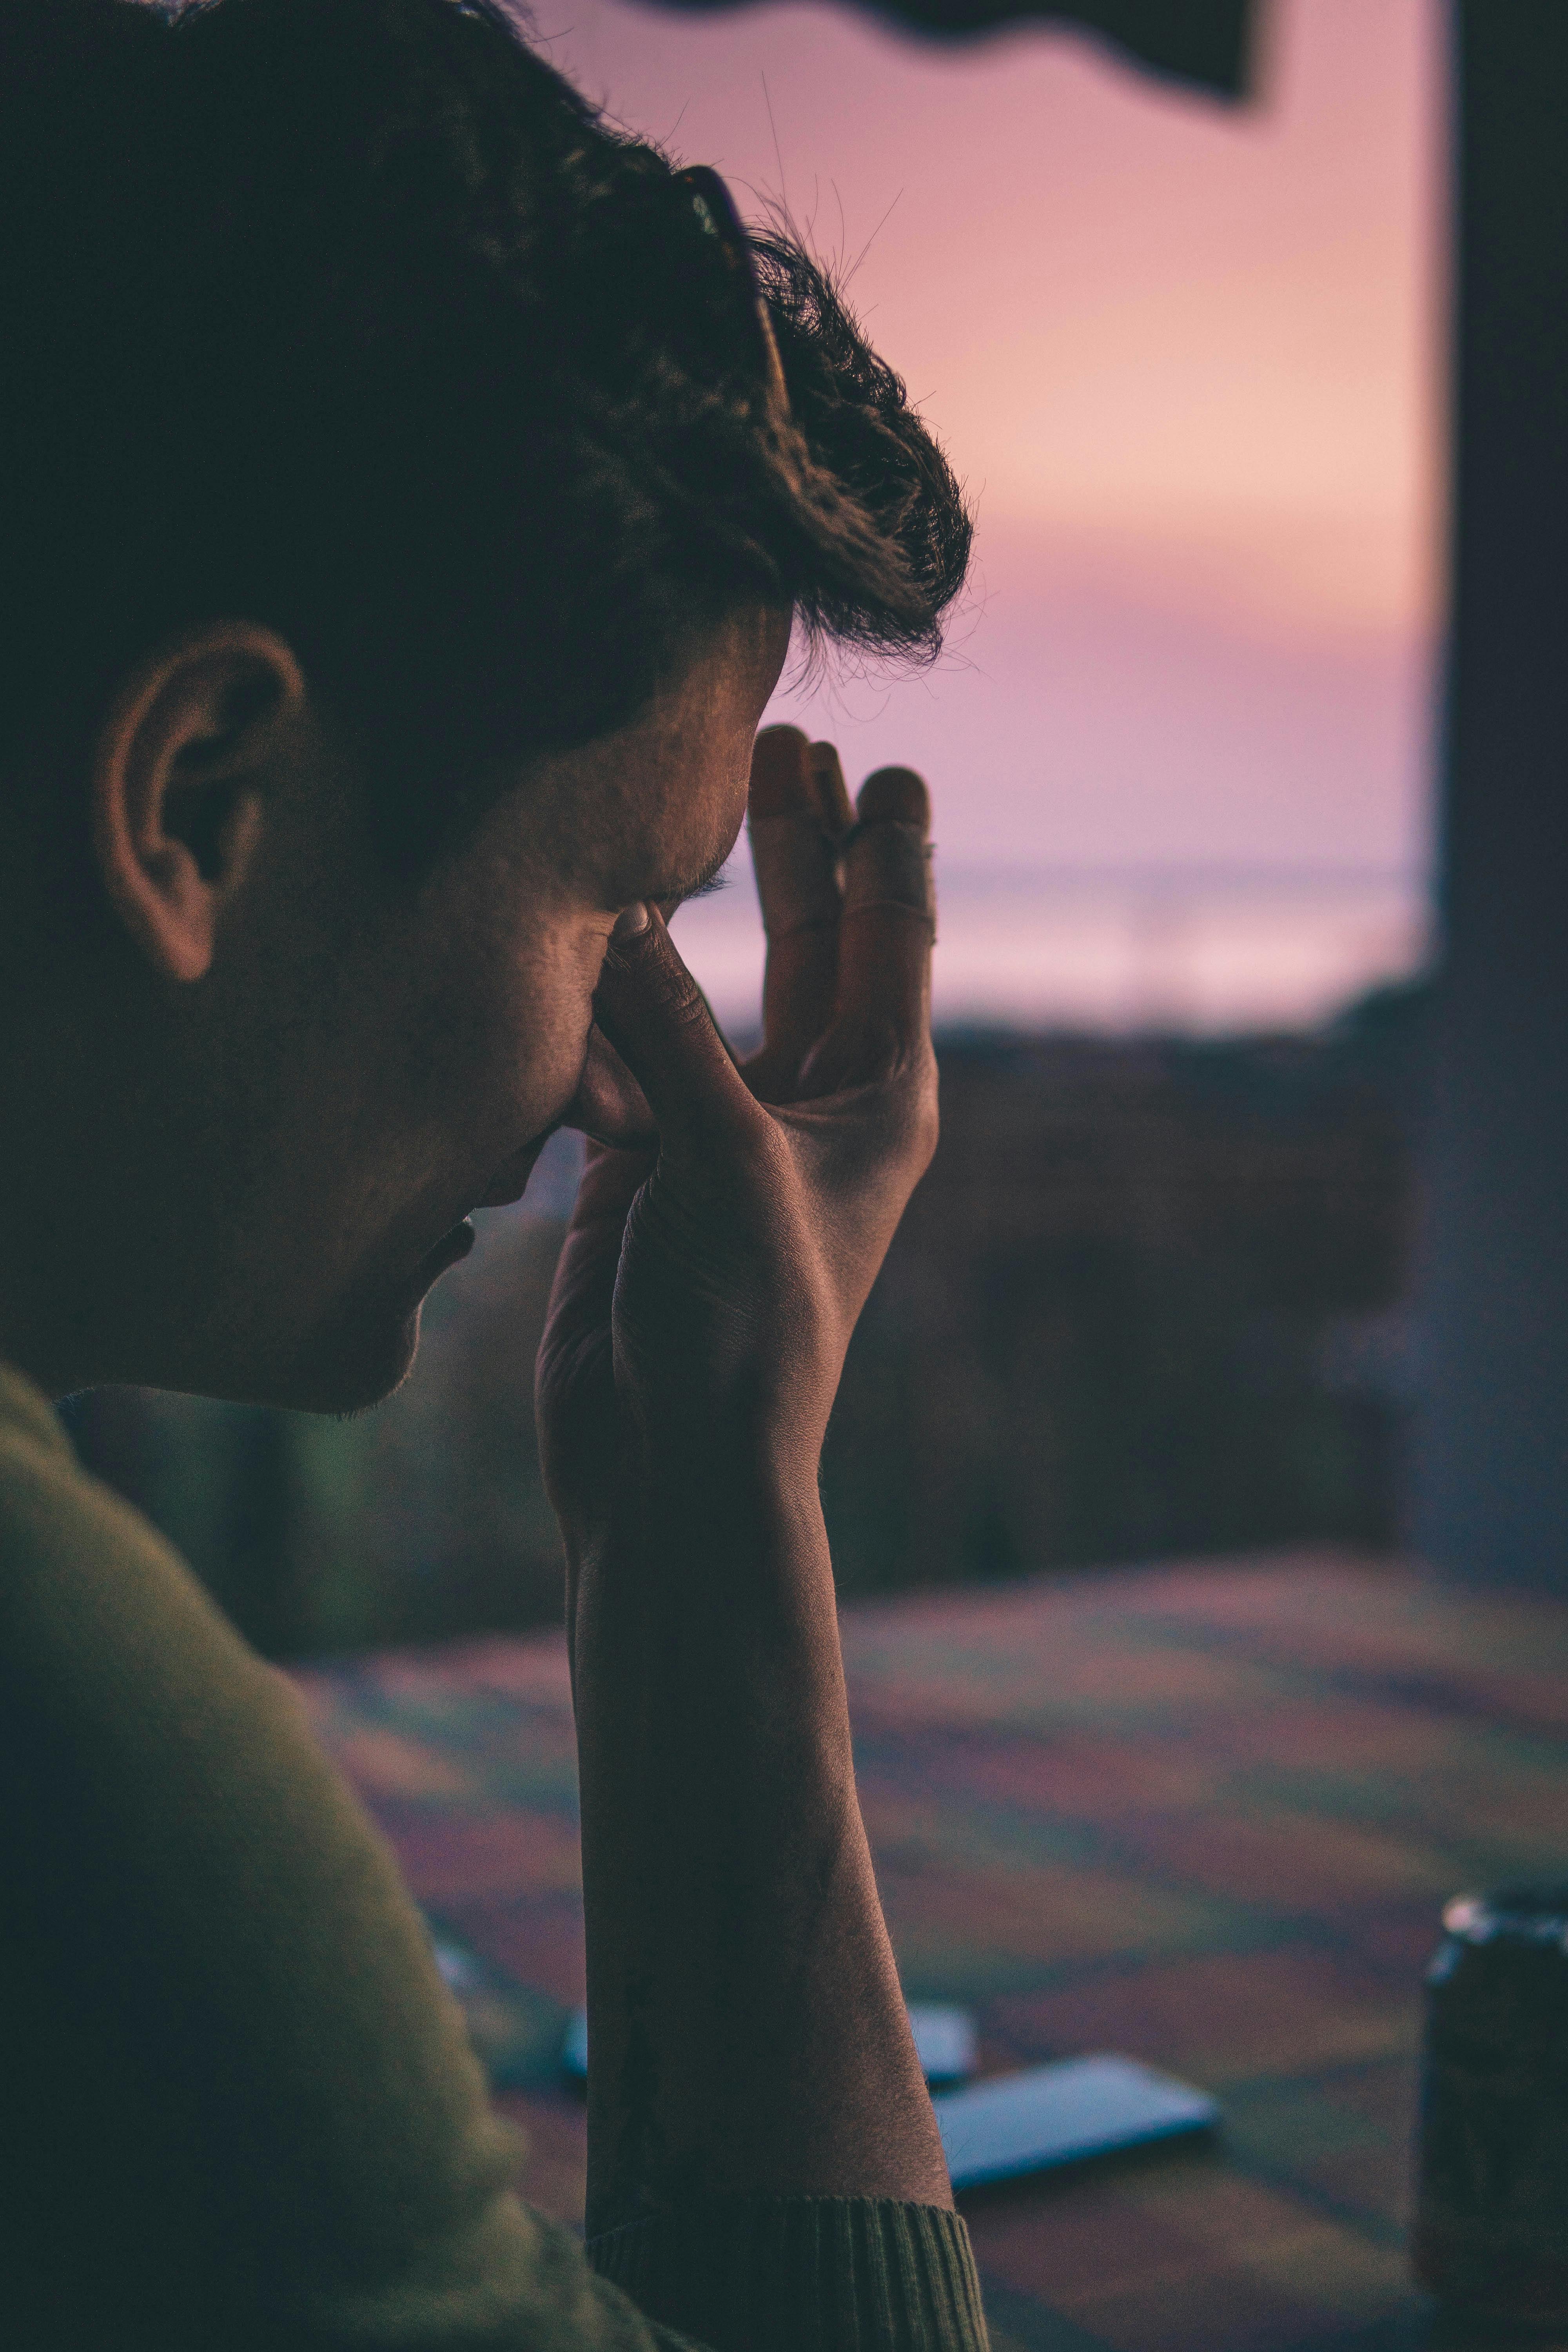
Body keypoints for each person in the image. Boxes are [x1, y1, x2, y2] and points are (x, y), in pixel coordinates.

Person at [0, 0, 985, 2343]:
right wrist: (714, 1542)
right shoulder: (78, 1782)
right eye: (614, 912)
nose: (613, 1090)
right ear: (197, 800)